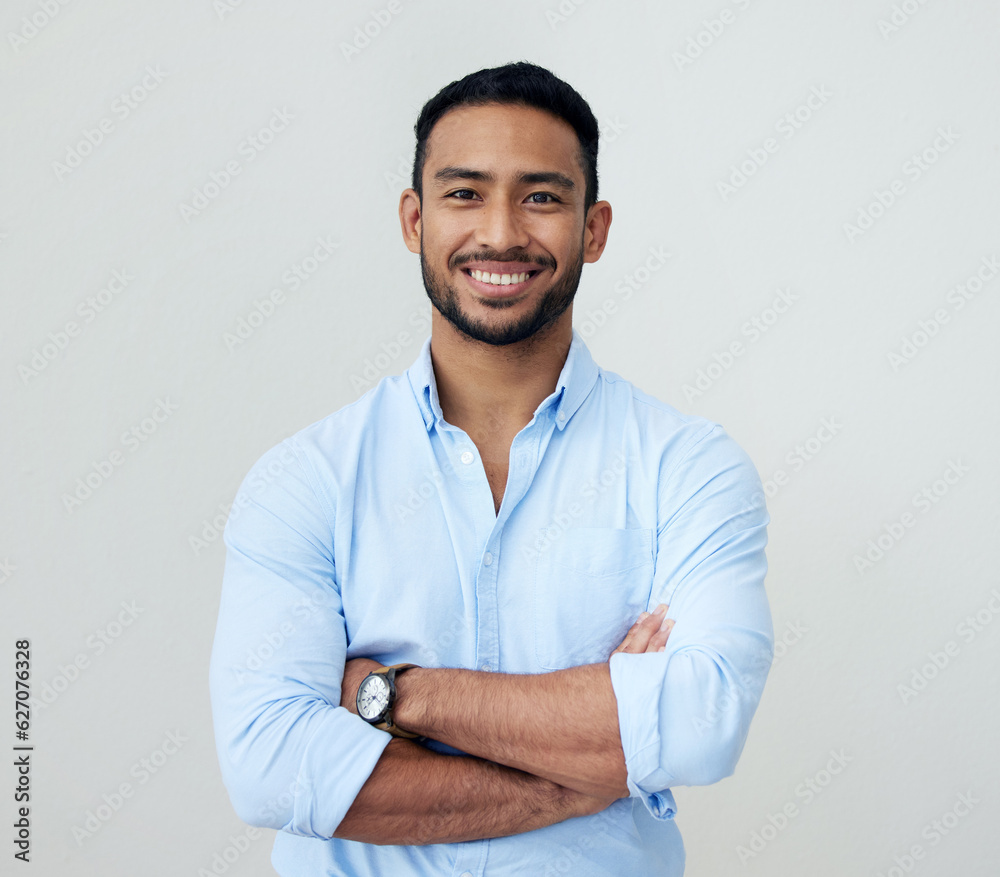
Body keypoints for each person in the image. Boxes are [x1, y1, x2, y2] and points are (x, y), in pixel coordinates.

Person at [209, 61, 773, 876]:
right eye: (464, 193)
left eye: (541, 196)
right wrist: (584, 775)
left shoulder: (688, 467)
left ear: (595, 228)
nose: (501, 233)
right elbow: (270, 767)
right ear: (414, 219)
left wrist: (393, 695)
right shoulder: (304, 479)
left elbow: (700, 724)